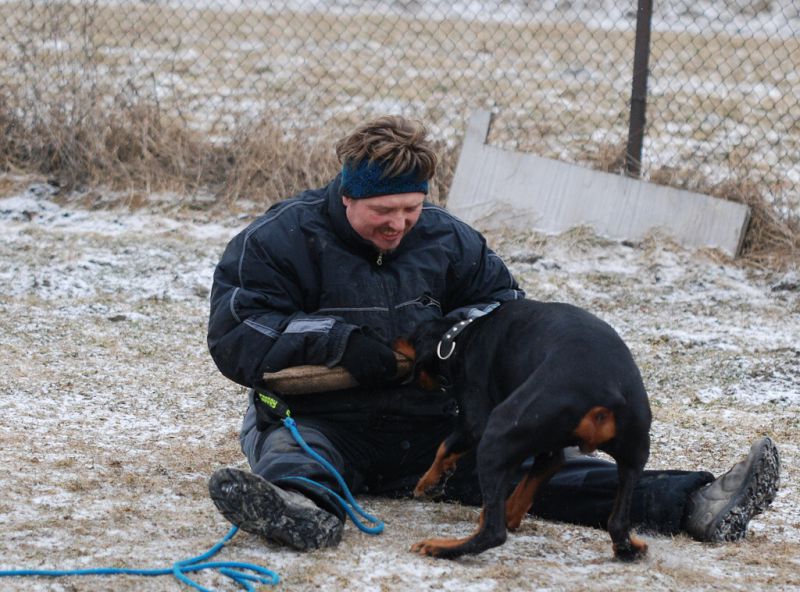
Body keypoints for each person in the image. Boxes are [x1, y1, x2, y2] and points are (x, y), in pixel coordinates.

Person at [206, 115, 780, 552]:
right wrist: (339, 341)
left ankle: (698, 502)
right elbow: (239, 328)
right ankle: (296, 510)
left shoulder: (450, 240)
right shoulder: (280, 239)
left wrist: (457, 348)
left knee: (549, 471)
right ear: (347, 194)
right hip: (327, 420)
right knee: (296, 457)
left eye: (411, 209)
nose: (399, 224)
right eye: (383, 210)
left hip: (433, 427)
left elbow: (504, 310)